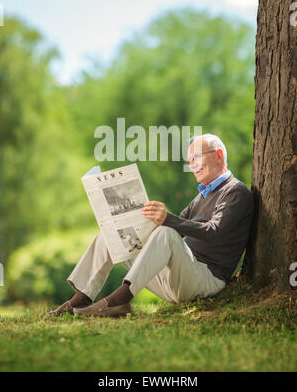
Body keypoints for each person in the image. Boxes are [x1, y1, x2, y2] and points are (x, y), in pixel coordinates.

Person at [48, 133, 255, 318]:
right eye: (190, 160)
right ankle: (81, 298)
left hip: (207, 279)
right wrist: (136, 218)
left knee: (166, 231)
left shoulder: (236, 192)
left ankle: (116, 302)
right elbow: (172, 227)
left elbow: (214, 233)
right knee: (112, 234)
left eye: (197, 157)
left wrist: (166, 219)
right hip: (178, 278)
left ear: (218, 154)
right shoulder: (202, 196)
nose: (193, 165)